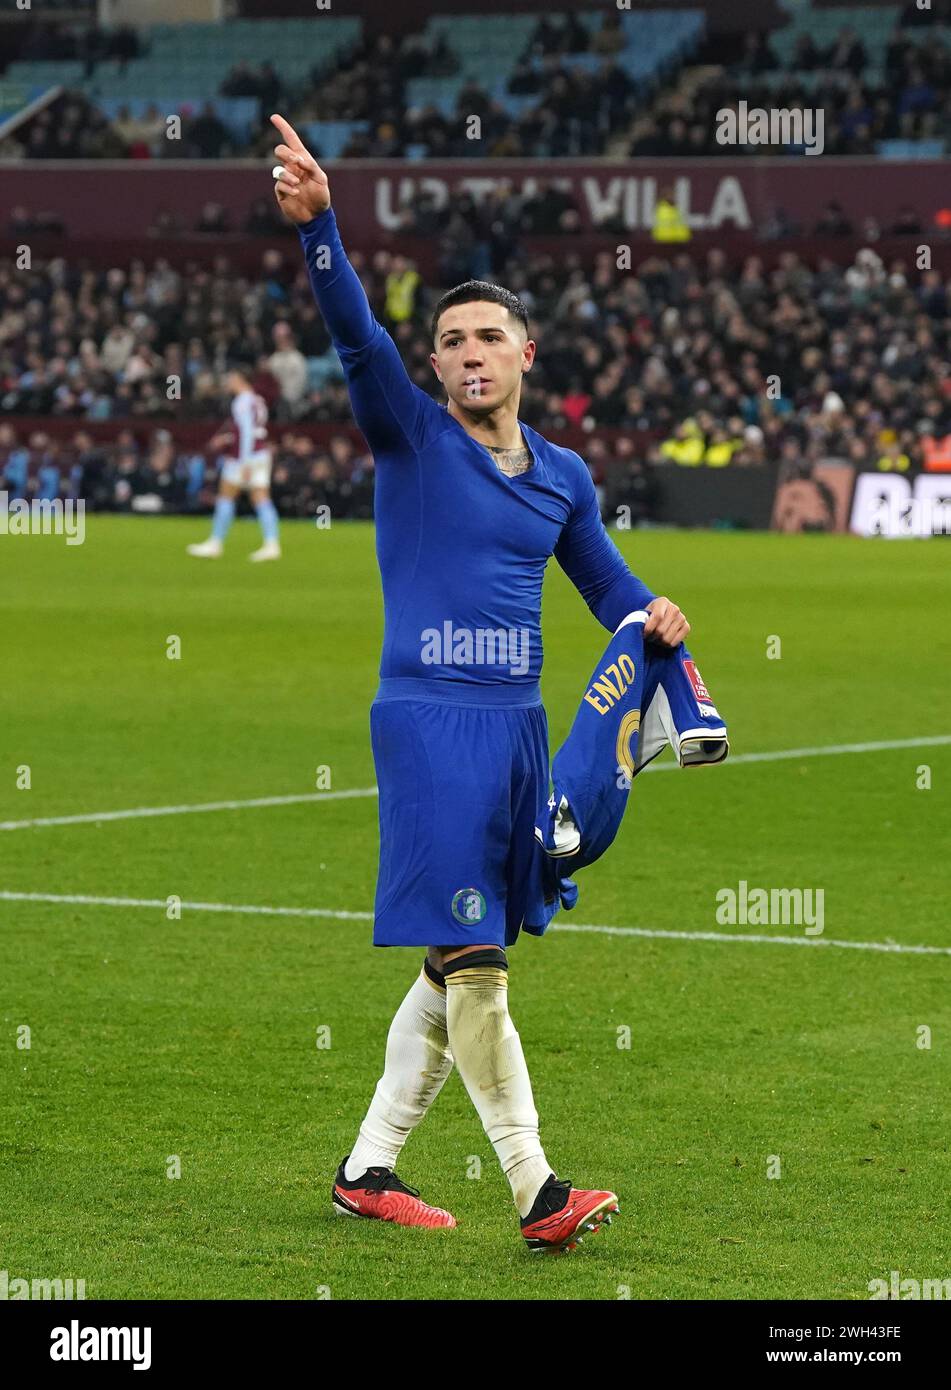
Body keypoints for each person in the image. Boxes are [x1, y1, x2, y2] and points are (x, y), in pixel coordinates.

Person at [270, 113, 690, 1252]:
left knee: (449, 959)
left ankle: (366, 1167)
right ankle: (537, 1191)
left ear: (523, 354)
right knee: (481, 964)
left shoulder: (562, 474)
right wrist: (322, 233)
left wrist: (652, 615)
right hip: (428, 725)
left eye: (486, 337)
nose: (464, 353)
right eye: (450, 338)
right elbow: (359, 341)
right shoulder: (409, 436)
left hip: (519, 734)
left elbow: (603, 583)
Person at [187, 365, 280, 561]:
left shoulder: (241, 401)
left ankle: (215, 543)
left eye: (231, 378)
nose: (228, 382)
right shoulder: (258, 400)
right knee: (261, 498)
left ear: (239, 378)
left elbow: (246, 433)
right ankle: (272, 544)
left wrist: (244, 462)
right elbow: (253, 430)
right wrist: (229, 438)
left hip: (245, 456)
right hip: (261, 453)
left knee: (226, 496)